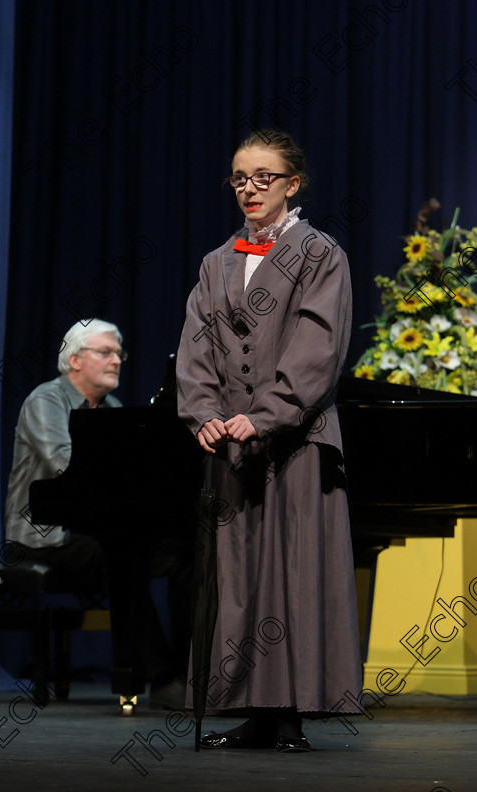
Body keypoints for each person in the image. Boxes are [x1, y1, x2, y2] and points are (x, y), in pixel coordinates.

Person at [175, 131, 363, 752]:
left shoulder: (318, 254)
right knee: (237, 578)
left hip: (295, 442)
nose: (249, 188)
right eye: (239, 178)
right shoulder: (216, 261)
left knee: (294, 574)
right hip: (231, 445)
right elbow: (196, 346)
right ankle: (248, 708)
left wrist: (267, 413)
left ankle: (289, 714)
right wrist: (202, 413)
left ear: (292, 184)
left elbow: (319, 345)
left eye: (262, 177)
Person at [5, 318, 185, 709]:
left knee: (177, 555)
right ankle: (158, 675)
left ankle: (188, 669)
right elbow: (63, 465)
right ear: (74, 360)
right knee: (116, 556)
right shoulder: (45, 400)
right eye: (106, 352)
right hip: (42, 535)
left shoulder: (113, 409)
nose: (117, 360)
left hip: (91, 529)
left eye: (119, 353)